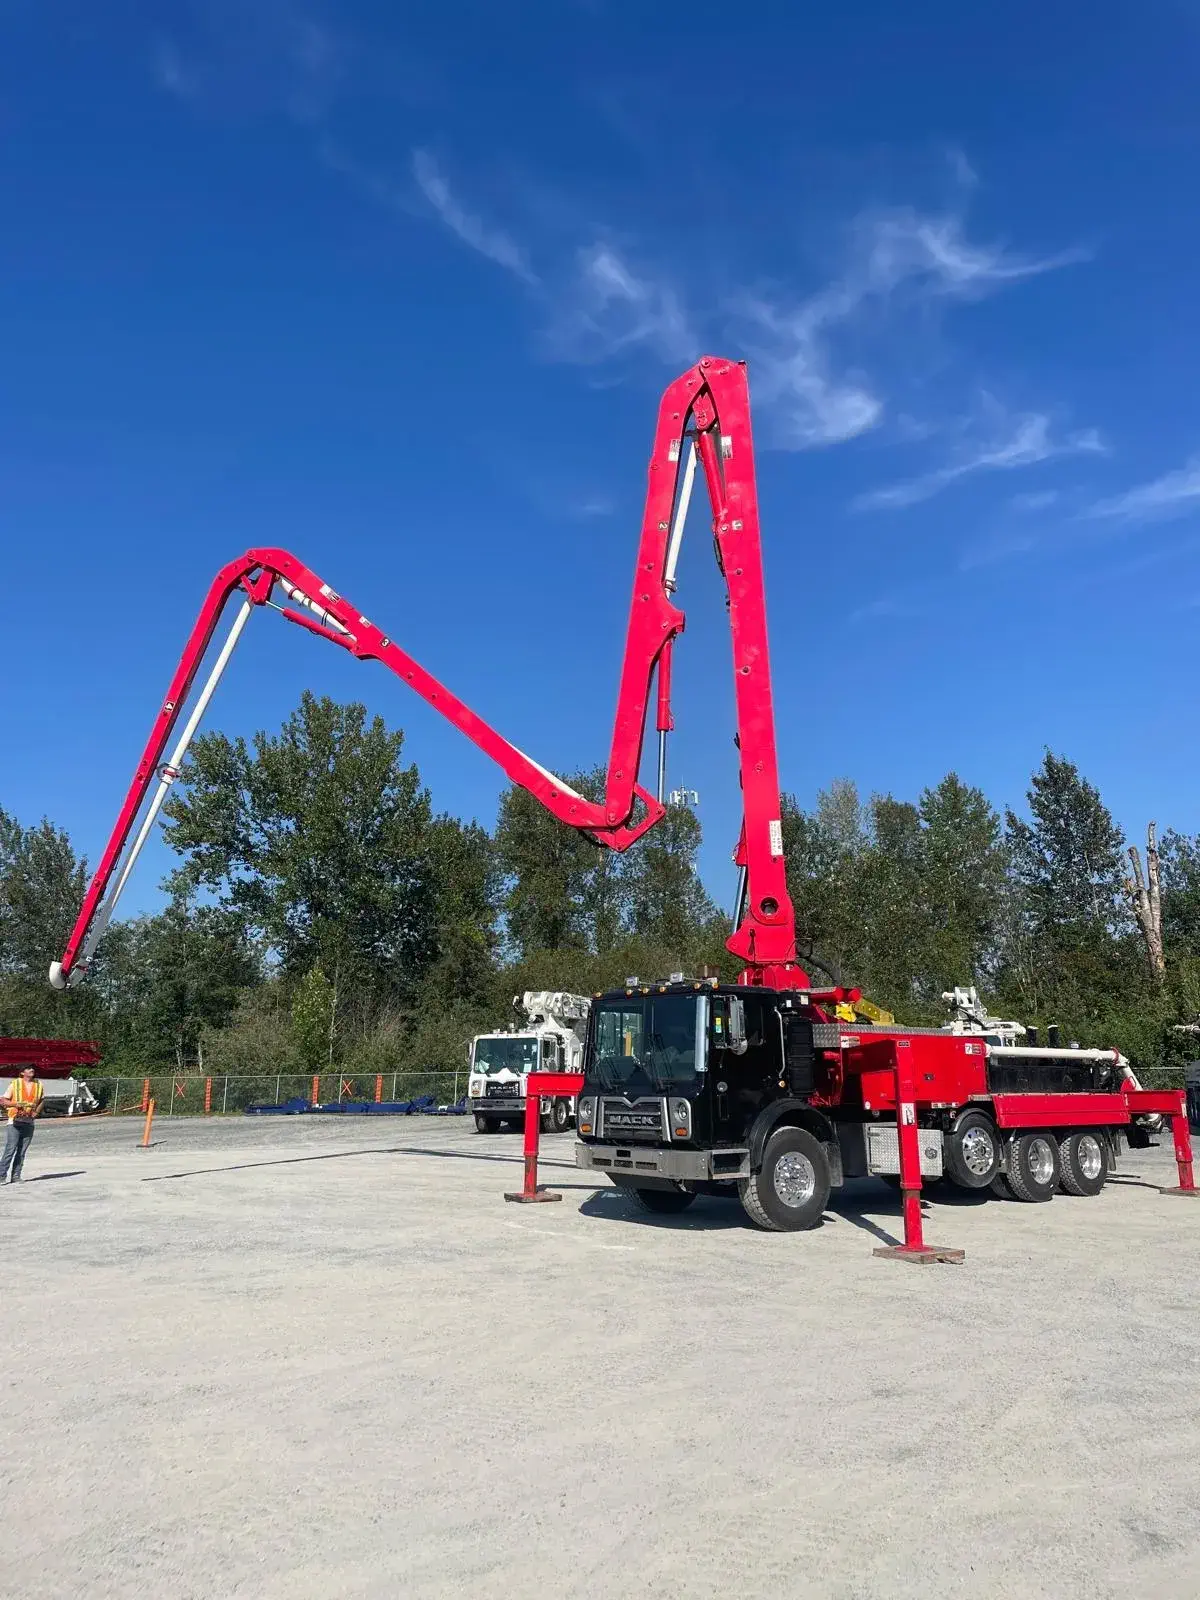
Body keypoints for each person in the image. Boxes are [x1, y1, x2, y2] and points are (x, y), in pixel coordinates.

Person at [0, 1065, 44, 1183]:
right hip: (14, 1121)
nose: (32, 1070)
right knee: (10, 1149)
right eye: (28, 1069)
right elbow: (3, 1100)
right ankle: (1, 1175)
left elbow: (42, 1100)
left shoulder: (38, 1085)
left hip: (29, 1122)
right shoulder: (14, 1084)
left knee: (22, 1151)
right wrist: (16, 1104)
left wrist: (36, 1112)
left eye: (32, 1069)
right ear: (22, 1073)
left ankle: (16, 1176)